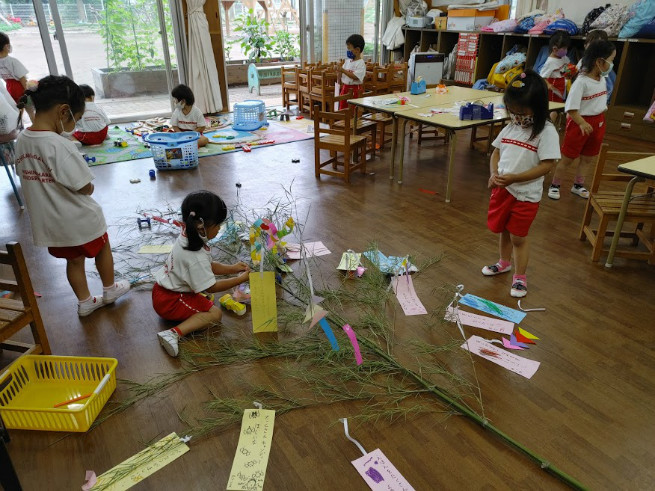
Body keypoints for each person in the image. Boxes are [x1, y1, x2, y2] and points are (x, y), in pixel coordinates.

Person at [15, 76, 130, 316]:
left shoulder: (23, 139)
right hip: (78, 218)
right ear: (63, 111)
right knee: (102, 247)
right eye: (76, 120)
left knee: (74, 261)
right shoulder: (59, 145)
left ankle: (85, 302)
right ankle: (109, 290)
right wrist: (87, 187)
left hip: (51, 223)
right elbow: (84, 186)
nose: (75, 126)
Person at [482, 69, 560, 298]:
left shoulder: (546, 132)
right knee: (504, 231)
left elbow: (547, 166)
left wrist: (515, 178)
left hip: (526, 195)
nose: (517, 116)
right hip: (503, 190)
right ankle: (503, 262)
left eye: (521, 112)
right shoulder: (511, 127)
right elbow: (496, 153)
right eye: (512, 111)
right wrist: (494, 173)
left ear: (537, 107)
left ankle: (520, 277)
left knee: (518, 236)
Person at [153, 191, 251, 357]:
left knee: (206, 298)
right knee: (215, 314)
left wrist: (233, 268)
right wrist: (238, 279)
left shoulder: (189, 236)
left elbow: (209, 266)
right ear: (201, 226)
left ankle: (188, 311)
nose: (220, 228)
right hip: (171, 301)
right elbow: (212, 287)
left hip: (165, 291)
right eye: (218, 225)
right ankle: (172, 333)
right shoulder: (194, 256)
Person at [547, 40, 616, 201]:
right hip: (580, 123)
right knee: (568, 158)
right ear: (599, 62)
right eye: (611, 60)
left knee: (588, 158)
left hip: (598, 123)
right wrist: (582, 123)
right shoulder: (581, 82)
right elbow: (571, 108)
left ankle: (578, 185)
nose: (612, 64)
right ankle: (555, 185)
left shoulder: (602, 79)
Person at [0, 33, 34, 121]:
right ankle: (36, 125)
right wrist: (27, 92)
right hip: (20, 87)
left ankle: (19, 126)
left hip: (10, 88)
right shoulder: (13, 61)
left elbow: (4, 78)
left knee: (18, 109)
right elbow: (23, 79)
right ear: (6, 46)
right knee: (30, 110)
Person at [539, 30, 571, 122]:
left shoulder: (564, 57)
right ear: (555, 49)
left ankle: (551, 124)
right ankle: (548, 124)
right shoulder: (550, 62)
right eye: (564, 49)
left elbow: (567, 67)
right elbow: (542, 77)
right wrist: (549, 85)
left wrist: (569, 72)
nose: (566, 51)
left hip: (562, 85)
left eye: (566, 48)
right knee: (554, 108)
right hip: (553, 87)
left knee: (559, 107)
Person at [335, 34, 366, 110]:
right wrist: (338, 71)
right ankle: (343, 121)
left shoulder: (361, 63)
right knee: (343, 108)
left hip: (355, 90)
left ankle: (353, 121)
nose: (348, 51)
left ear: (357, 50)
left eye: (349, 49)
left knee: (353, 110)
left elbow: (355, 77)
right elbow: (341, 75)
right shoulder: (347, 61)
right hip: (345, 88)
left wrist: (342, 70)